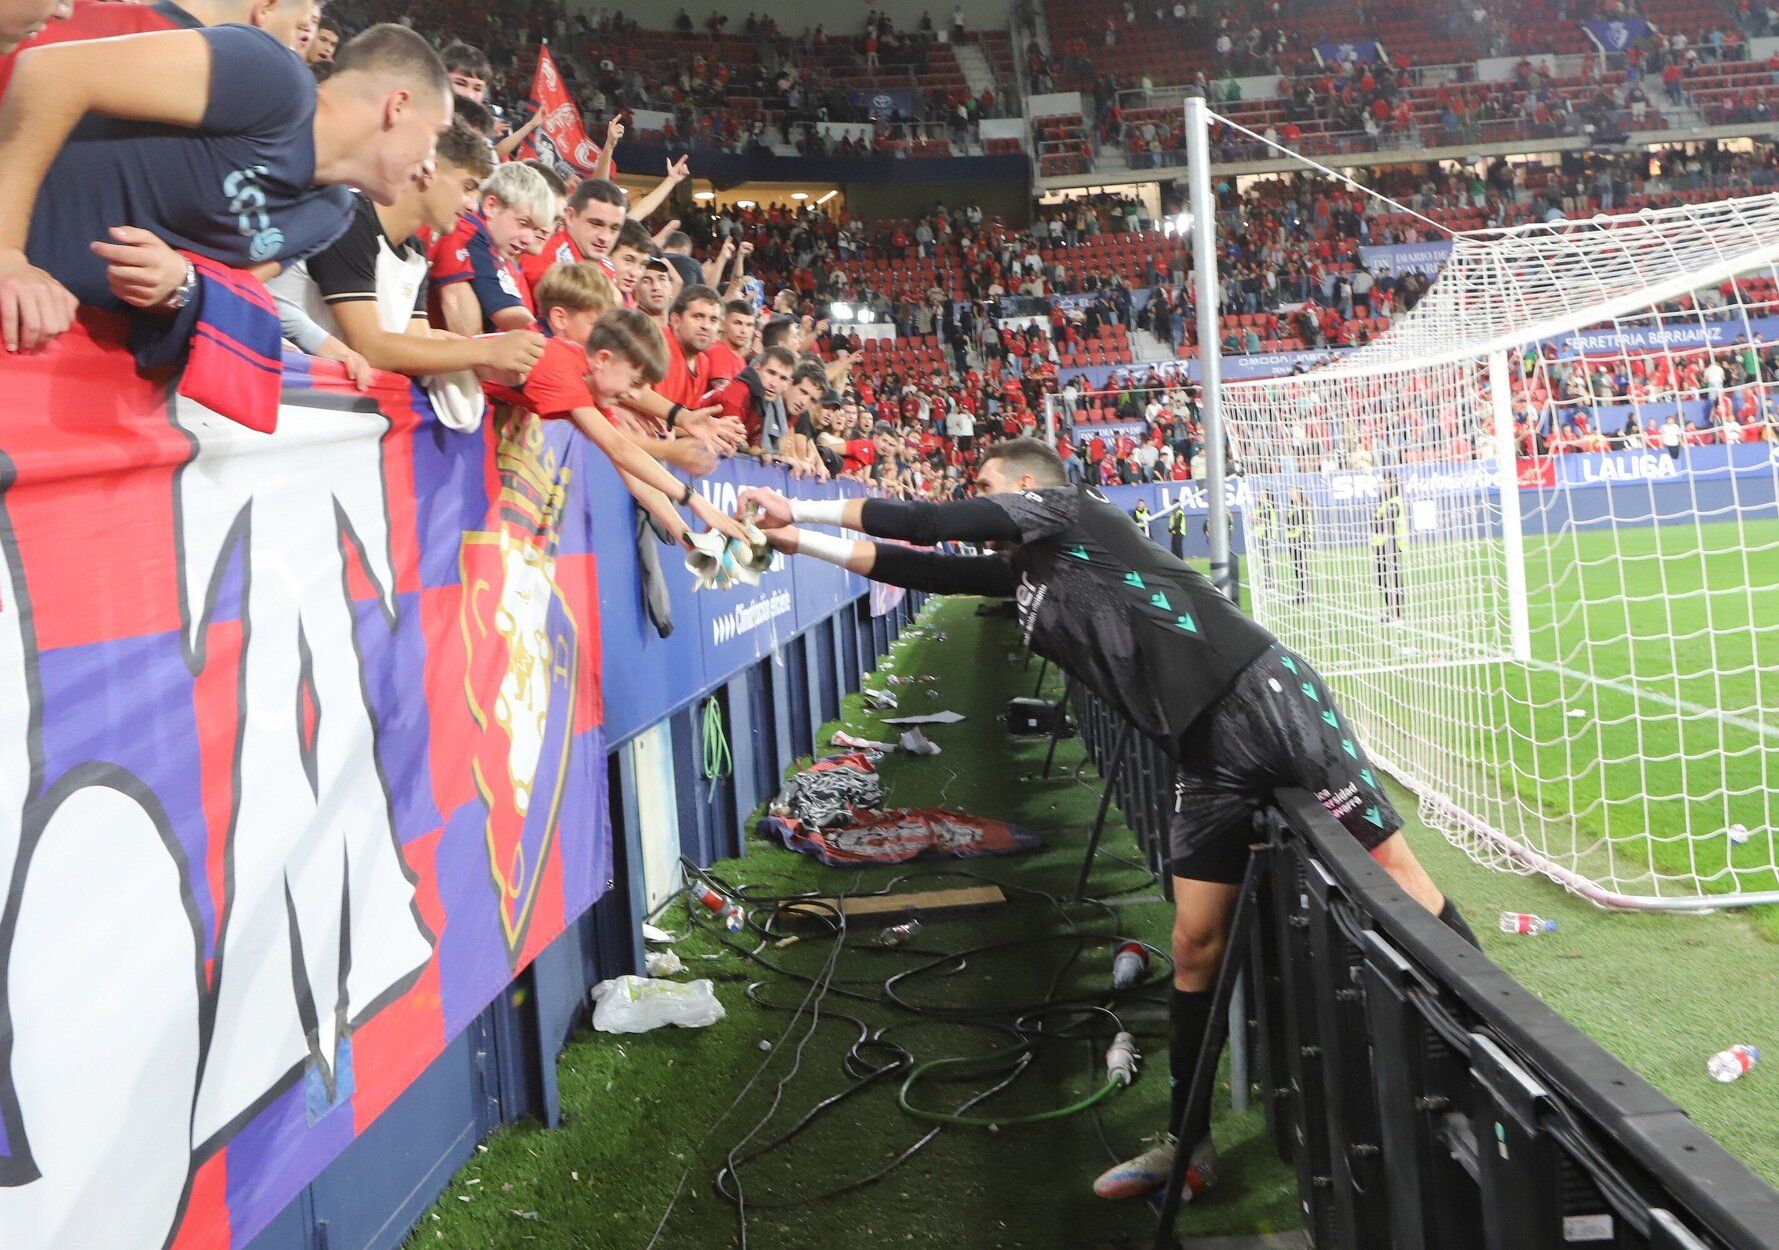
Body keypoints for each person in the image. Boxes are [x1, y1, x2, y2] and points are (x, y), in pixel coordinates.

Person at [737, 438, 1480, 1204]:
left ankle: (1490, 1054)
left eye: (984, 483)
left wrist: (799, 504)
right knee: (1192, 945)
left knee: (1395, 875)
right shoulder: (1027, 573)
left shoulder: (1066, 509)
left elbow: (928, 525)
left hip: (1266, 701)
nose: (974, 494)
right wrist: (797, 541)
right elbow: (917, 565)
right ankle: (1184, 1145)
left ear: (1024, 488)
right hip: (1201, 753)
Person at [0, 21, 451, 351]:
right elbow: (51, 73)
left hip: (54, 345)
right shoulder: (271, 79)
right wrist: (8, 257)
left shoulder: (330, 215)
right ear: (398, 107)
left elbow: (219, 296)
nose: (430, 167)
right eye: (437, 136)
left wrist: (177, 284)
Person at [271, 118, 546, 381]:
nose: (473, 205)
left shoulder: (416, 252)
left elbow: (412, 344)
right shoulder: (350, 218)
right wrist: (484, 352)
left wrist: (487, 366)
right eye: (468, 186)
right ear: (430, 170)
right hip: (272, 384)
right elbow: (372, 348)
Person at [433, 162, 555, 336]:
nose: (528, 239)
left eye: (534, 229)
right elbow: (509, 317)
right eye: (523, 223)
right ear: (491, 206)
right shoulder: (469, 230)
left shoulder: (493, 245)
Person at [1370, 475, 1406, 623]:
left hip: (1391, 544)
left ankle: (1397, 613)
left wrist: (1376, 519)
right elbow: (1374, 522)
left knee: (1394, 578)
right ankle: (1391, 610)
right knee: (1379, 579)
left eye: (1385, 482)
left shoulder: (1395, 501)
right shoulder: (1383, 500)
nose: (1382, 484)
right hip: (1379, 544)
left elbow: (1384, 524)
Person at [1283, 488, 1313, 602]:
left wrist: (1289, 526)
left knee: (1301, 568)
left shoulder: (1300, 508)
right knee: (1298, 568)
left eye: (1292, 491)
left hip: (1299, 541)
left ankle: (1305, 594)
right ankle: (1301, 593)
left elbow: (1298, 525)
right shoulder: (1293, 506)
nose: (1289, 493)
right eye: (1289, 491)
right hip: (1293, 541)